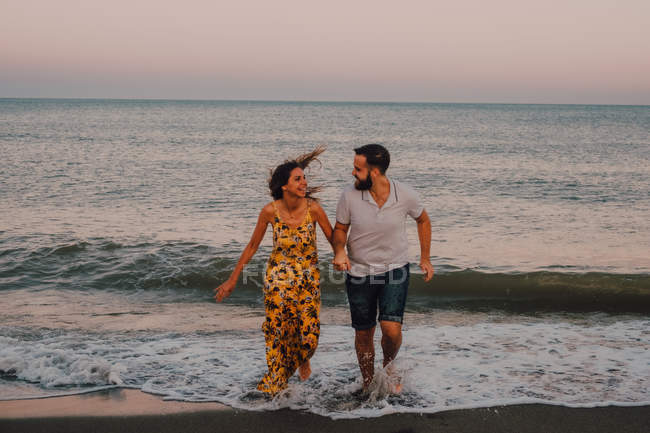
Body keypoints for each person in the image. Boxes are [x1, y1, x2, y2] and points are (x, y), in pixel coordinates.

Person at [214, 147, 333, 396]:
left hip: (308, 280)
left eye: (304, 178)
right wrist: (232, 279)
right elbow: (252, 246)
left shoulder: (315, 209)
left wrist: (347, 258)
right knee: (280, 330)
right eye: (298, 179)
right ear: (285, 186)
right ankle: (277, 382)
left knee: (309, 335)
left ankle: (301, 359)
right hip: (277, 280)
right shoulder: (270, 211)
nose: (304, 182)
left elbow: (336, 242)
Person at [332, 144, 434, 392]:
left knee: (391, 329)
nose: (353, 173)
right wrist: (339, 251)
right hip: (359, 271)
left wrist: (426, 257)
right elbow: (340, 229)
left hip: (394, 269)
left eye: (358, 169)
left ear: (375, 172)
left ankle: (388, 367)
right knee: (364, 333)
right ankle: (368, 383)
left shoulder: (404, 194)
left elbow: (423, 219)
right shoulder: (349, 195)